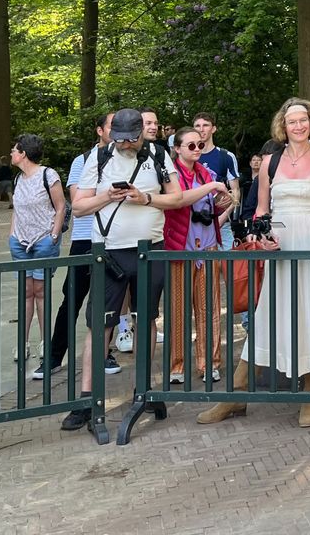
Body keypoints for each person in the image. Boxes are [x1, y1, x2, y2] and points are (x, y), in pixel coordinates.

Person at [197, 98, 310, 429]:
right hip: (280, 246)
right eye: (292, 121)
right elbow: (261, 210)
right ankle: (236, 394)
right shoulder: (271, 161)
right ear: (283, 125)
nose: (298, 125)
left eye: (303, 119)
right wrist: (262, 236)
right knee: (268, 315)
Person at [61, 108, 198, 432]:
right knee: (99, 324)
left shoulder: (158, 155)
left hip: (150, 250)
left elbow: (177, 198)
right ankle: (87, 399)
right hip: (107, 253)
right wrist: (107, 196)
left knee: (145, 320)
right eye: (118, 139)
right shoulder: (99, 157)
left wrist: (145, 198)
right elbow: (78, 207)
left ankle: (143, 390)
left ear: (140, 134)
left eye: (129, 139)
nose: (123, 144)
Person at [43, 112, 112, 380]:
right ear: (99, 130)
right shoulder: (82, 160)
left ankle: (104, 352)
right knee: (71, 298)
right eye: (112, 126)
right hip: (85, 239)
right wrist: (109, 195)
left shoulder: (128, 160)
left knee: (109, 300)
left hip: (113, 238)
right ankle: (54, 356)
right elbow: (79, 203)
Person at [164, 126, 234, 384]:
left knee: (210, 309)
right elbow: (180, 200)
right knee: (178, 310)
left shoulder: (207, 173)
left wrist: (224, 202)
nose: (197, 149)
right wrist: (212, 187)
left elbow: (217, 205)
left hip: (208, 246)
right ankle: (177, 366)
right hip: (180, 248)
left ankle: (210, 364)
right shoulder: (171, 176)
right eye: (191, 145)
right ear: (177, 148)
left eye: (200, 145)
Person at [8, 134, 67, 369]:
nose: (11, 153)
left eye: (14, 150)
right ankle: (22, 342)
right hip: (20, 242)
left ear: (23, 153)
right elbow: (17, 210)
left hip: (43, 240)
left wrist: (54, 235)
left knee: (40, 292)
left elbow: (61, 207)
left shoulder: (48, 175)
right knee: (25, 292)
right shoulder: (17, 178)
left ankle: (45, 342)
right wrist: (12, 235)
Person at [192, 113, 241, 251]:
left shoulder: (226, 156)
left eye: (205, 125)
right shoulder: (188, 156)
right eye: (197, 126)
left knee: (228, 262)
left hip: (221, 222)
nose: (201, 129)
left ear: (213, 129)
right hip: (193, 223)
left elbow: (236, 191)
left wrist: (224, 216)